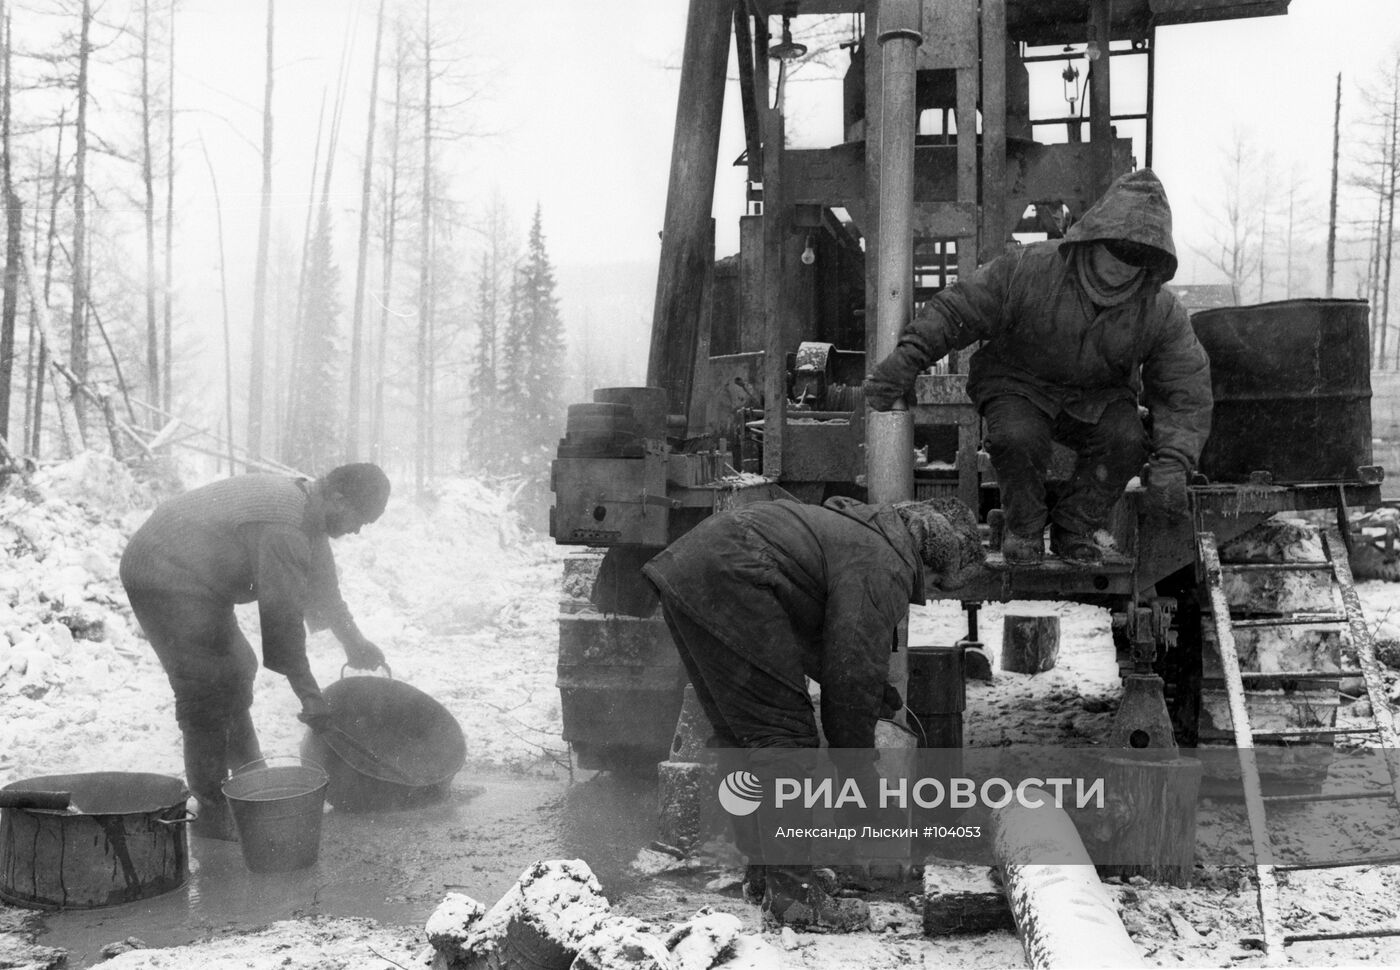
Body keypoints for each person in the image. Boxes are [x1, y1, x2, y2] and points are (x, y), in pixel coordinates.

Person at [642, 495, 983, 931]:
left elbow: (811, 628)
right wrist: (859, 778)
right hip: (733, 574)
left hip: (691, 568)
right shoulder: (888, 562)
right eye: (937, 587)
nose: (926, 596)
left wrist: (869, 690)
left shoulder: (862, 532)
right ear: (935, 564)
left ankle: (765, 874)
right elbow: (849, 669)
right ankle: (794, 899)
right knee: (785, 741)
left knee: (743, 737)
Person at [863, 168, 1212, 565]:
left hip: (1096, 398)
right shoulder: (1030, 269)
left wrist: (1173, 463)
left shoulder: (1160, 311)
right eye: (1117, 247)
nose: (1124, 263)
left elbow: (1186, 389)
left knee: (1127, 439)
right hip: (1016, 383)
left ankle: (1075, 528)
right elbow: (958, 308)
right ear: (1094, 237)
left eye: (1138, 255)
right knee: (1016, 436)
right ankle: (1024, 528)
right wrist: (907, 360)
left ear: (1153, 261)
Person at [119, 463, 392, 841]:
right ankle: (213, 812)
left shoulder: (308, 513)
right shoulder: (287, 527)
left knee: (237, 667)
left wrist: (356, 643)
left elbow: (325, 594)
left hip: (199, 580)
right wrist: (311, 698)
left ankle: (251, 777)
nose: (357, 530)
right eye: (359, 520)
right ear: (339, 497)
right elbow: (283, 620)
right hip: (160, 570)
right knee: (203, 686)